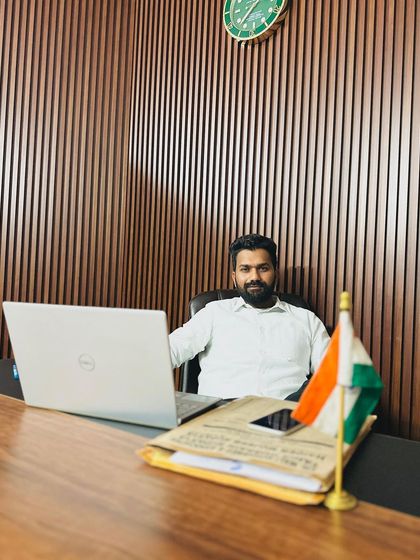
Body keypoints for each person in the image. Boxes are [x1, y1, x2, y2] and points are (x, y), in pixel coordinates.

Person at [169, 234, 330, 400]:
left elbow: (332, 374)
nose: (255, 277)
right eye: (245, 269)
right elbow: (167, 353)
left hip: (284, 412)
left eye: (263, 268)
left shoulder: (307, 320)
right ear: (234, 277)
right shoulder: (213, 313)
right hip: (220, 412)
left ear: (275, 273)